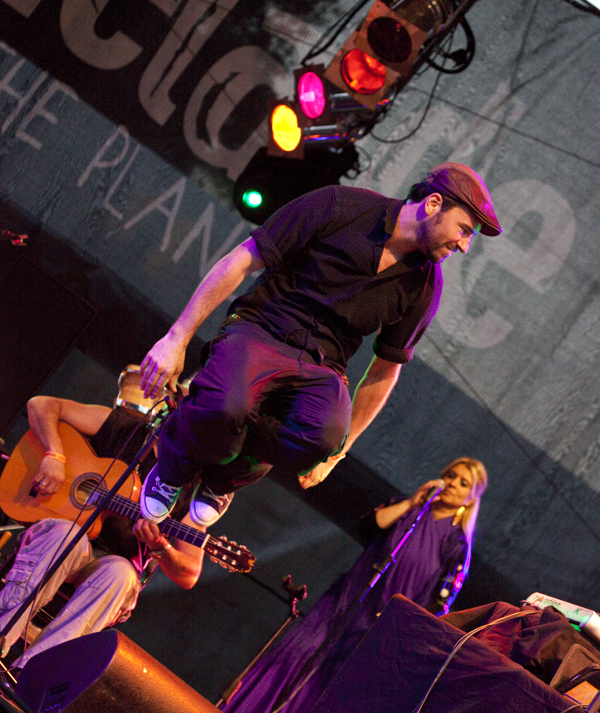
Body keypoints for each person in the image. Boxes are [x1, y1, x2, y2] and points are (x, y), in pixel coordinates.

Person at [137, 163, 500, 525]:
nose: (465, 246)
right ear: (434, 203)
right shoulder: (340, 206)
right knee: (226, 406)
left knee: (321, 438)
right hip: (262, 329)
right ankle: (173, 468)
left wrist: (340, 452)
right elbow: (241, 260)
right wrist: (176, 338)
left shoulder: (426, 286)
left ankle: (222, 479)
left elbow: (385, 369)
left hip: (322, 366)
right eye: (464, 230)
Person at [220, 457, 488, 713]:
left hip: (378, 631)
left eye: (463, 482)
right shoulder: (409, 510)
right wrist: (413, 502)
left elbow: (440, 603)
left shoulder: (457, 544)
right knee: (297, 660)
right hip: (345, 604)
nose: (453, 483)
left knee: (328, 690)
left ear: (472, 496)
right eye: (451, 475)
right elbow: (367, 526)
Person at [0, 385, 205, 672]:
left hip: (110, 566)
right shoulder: (124, 430)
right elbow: (41, 403)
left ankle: (33, 672)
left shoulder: (194, 492)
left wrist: (163, 548)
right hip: (66, 537)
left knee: (120, 574)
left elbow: (189, 573)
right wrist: (55, 455)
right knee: (67, 535)